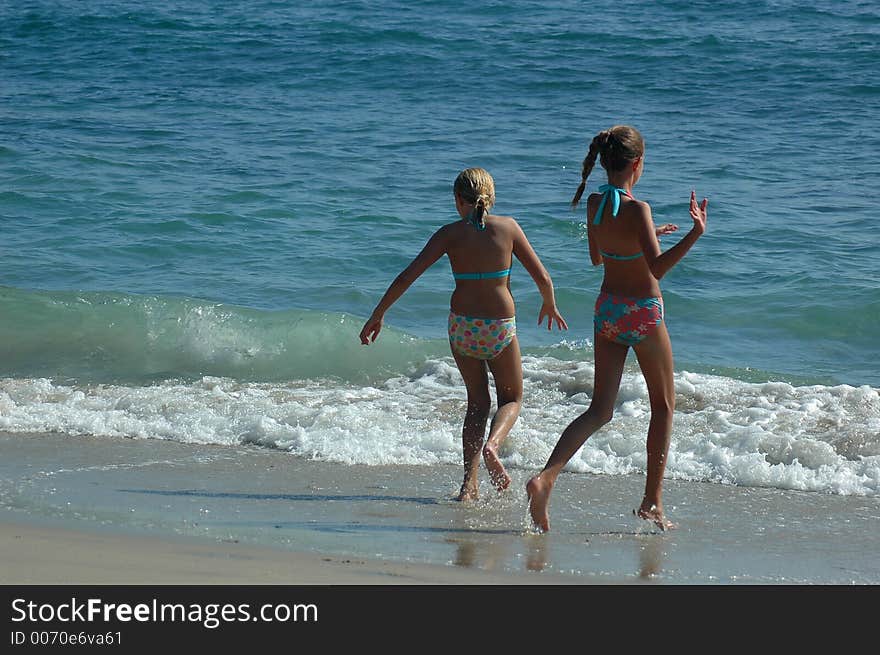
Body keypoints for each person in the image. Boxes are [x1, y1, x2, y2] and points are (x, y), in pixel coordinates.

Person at [526, 125, 707, 531]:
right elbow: (657, 268)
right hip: (642, 312)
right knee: (662, 407)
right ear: (638, 164)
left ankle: (546, 478)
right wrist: (695, 233)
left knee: (598, 410)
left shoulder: (594, 204)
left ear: (605, 162)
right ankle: (652, 503)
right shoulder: (637, 208)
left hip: (607, 310)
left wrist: (649, 237)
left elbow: (598, 257)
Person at [359, 167, 568, 501]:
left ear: (458, 200)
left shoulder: (448, 234)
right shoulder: (509, 228)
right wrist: (550, 305)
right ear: (491, 196)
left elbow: (406, 276)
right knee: (511, 398)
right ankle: (493, 445)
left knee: (476, 403)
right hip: (499, 327)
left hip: (462, 328)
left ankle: (468, 487)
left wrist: (378, 314)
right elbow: (542, 276)